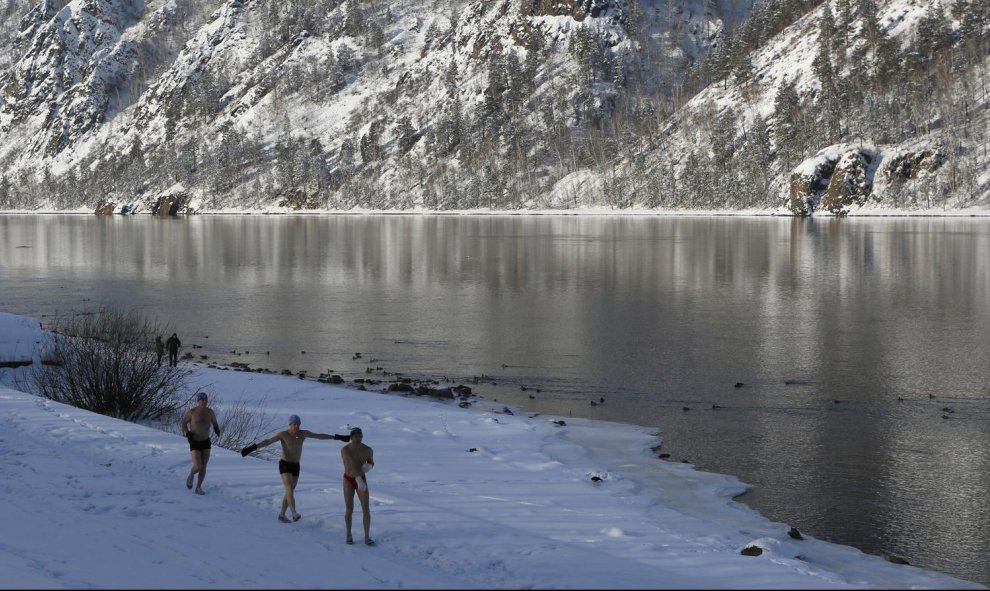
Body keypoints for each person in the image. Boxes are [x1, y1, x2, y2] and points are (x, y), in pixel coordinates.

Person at [240, 416, 350, 523]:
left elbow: (319, 436)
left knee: (290, 491)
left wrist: (338, 437)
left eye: (298, 424)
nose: (296, 426)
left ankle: (282, 514)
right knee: (289, 487)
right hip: (285, 464)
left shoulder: (303, 433)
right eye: (294, 424)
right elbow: (267, 441)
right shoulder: (283, 434)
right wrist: (251, 448)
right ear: (290, 424)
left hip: (296, 465)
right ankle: (294, 513)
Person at [180, 391, 221, 495]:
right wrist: (187, 433)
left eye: (205, 399)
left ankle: (198, 487)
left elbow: (215, 422)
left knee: (204, 466)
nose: (204, 401)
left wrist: (216, 428)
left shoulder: (210, 412)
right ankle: (191, 475)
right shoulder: (192, 412)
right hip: (194, 441)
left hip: (206, 442)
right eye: (202, 399)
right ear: (198, 401)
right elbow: (184, 423)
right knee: (198, 466)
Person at [341, 427, 375, 545]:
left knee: (366, 508)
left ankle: (367, 536)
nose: (358, 438)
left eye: (360, 436)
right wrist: (358, 479)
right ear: (351, 437)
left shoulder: (368, 449)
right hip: (349, 479)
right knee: (349, 508)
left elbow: (371, 462)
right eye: (355, 436)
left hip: (362, 478)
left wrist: (369, 466)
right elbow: (350, 464)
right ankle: (349, 534)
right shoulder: (345, 449)